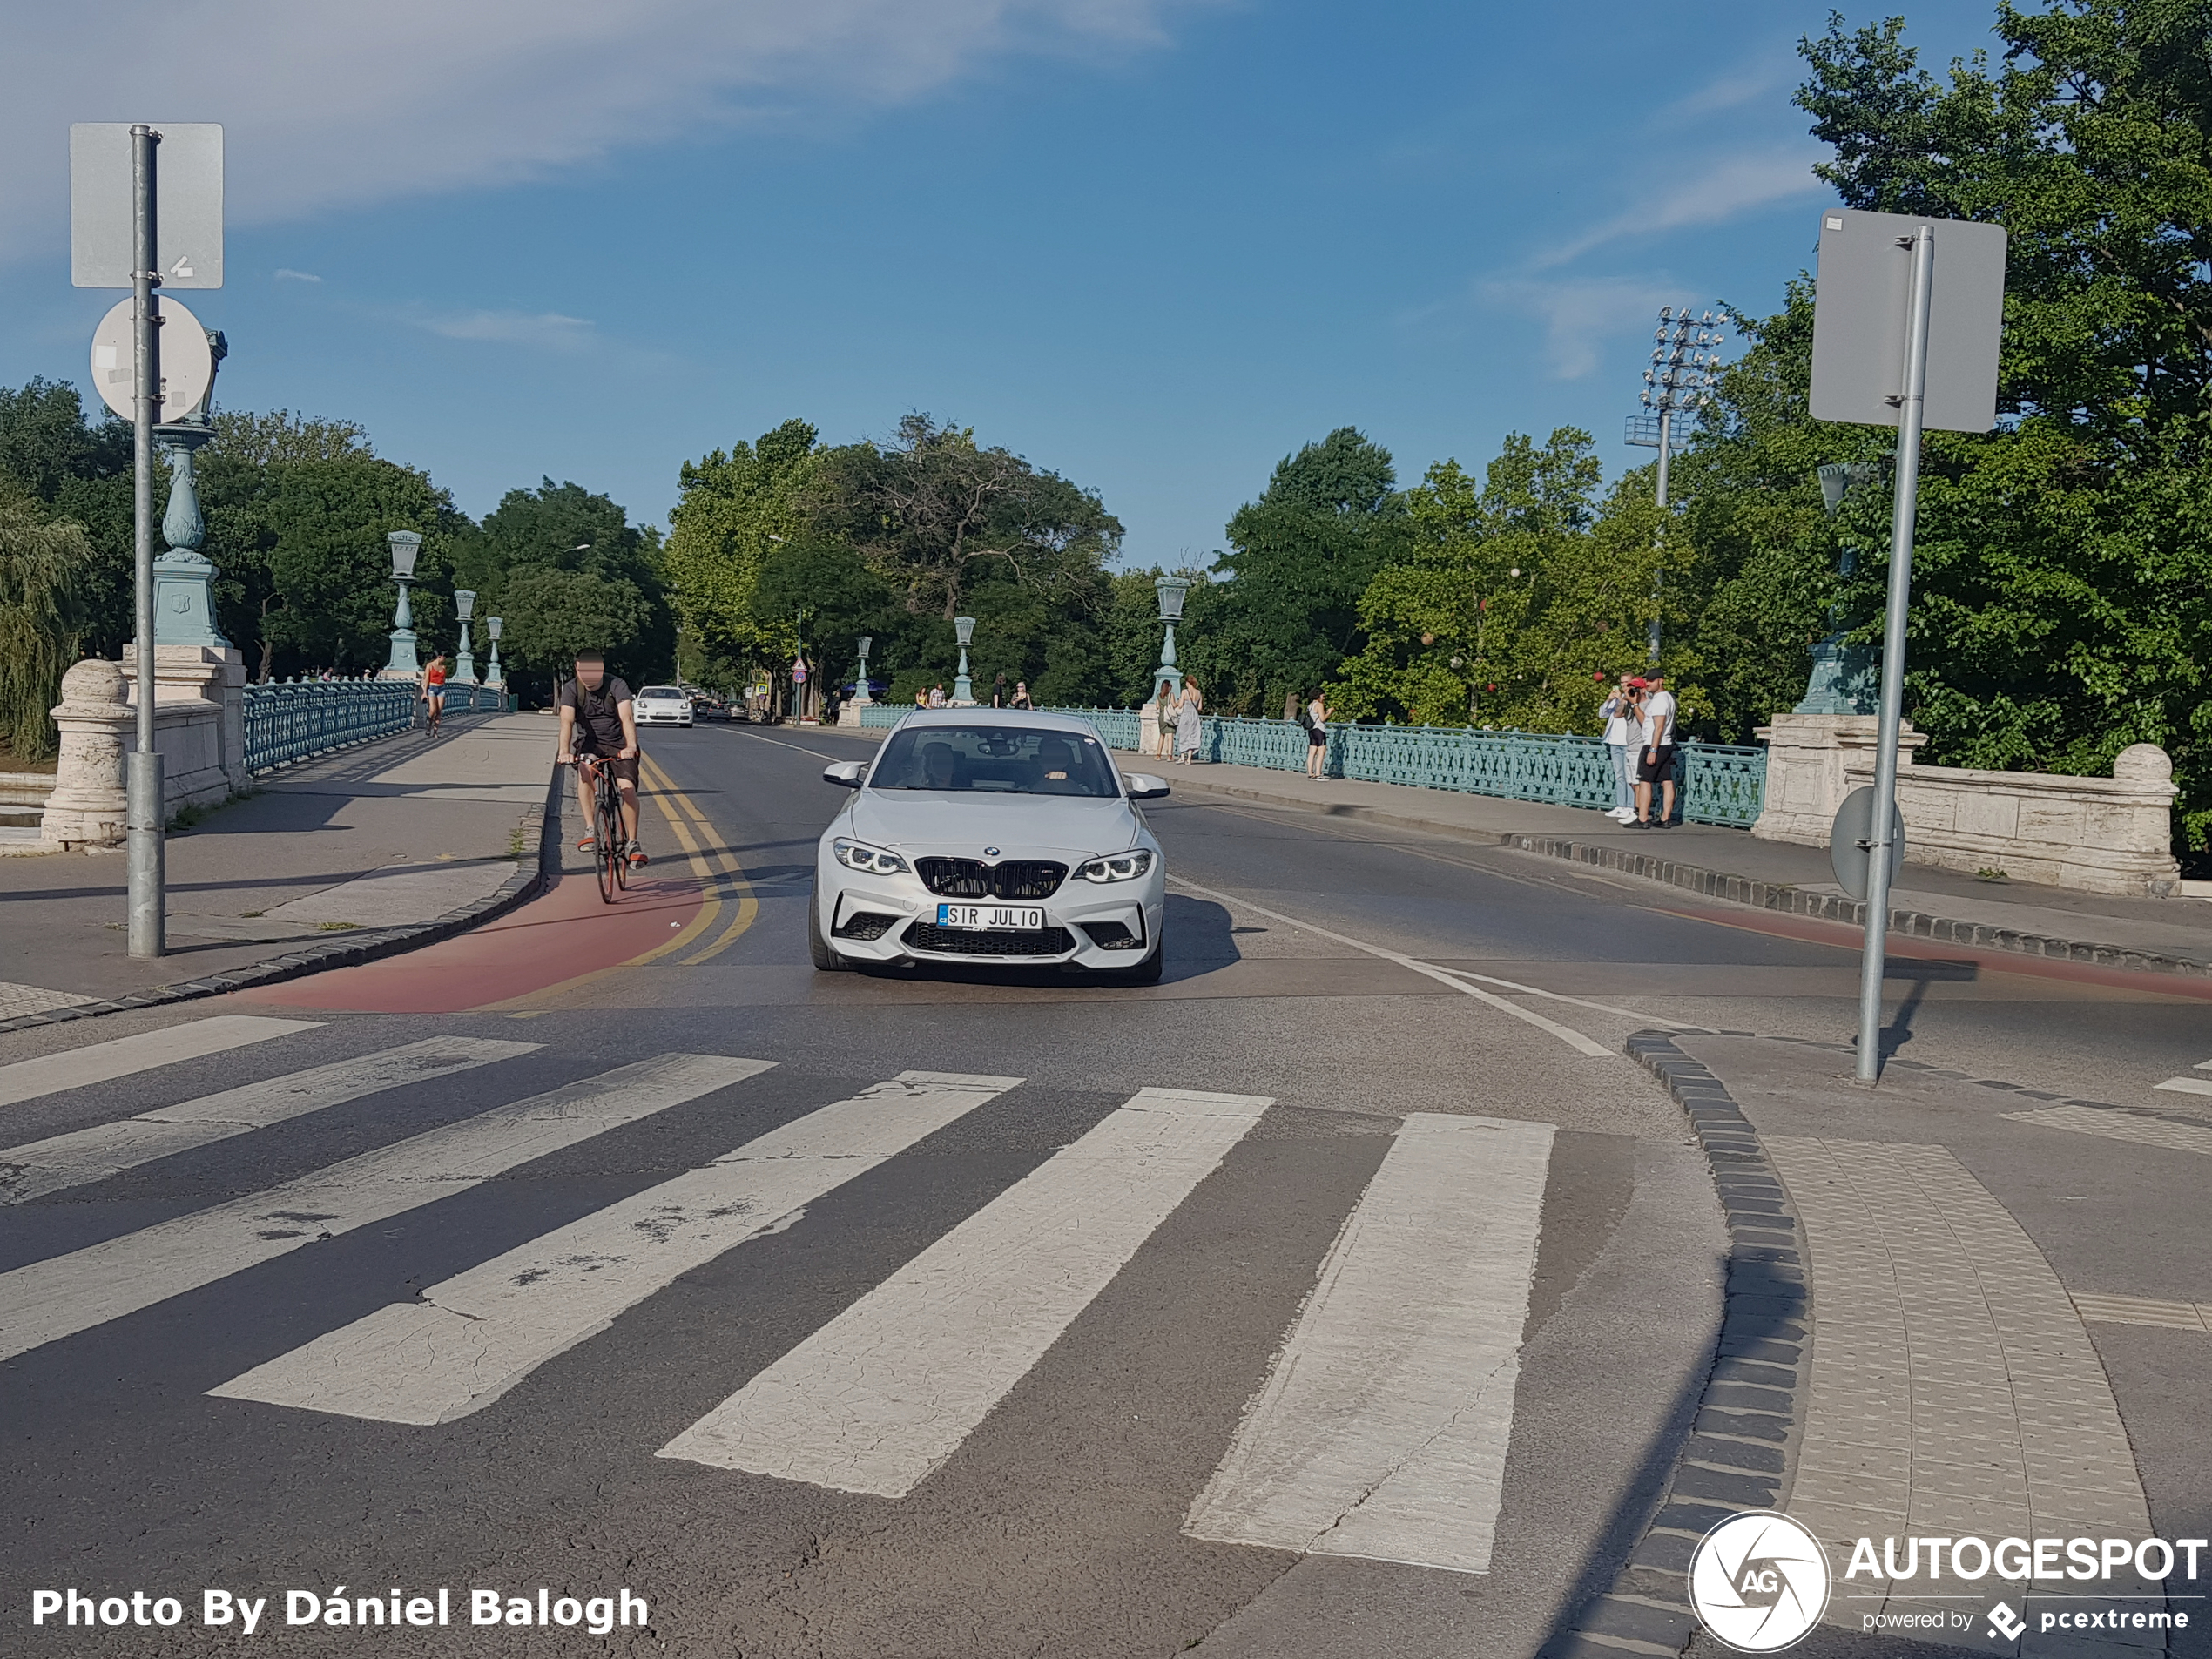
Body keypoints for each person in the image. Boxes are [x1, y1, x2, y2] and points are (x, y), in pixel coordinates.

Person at [556, 651, 647, 867]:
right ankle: (590, 828)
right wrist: (563, 751)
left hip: (619, 744)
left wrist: (631, 746)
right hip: (590, 743)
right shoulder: (571, 689)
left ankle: (632, 842)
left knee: (627, 789)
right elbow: (566, 722)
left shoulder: (617, 685)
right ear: (576, 669)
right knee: (585, 769)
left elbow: (627, 717)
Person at [1635, 672, 1679, 827]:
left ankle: (1643, 818)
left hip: (1655, 744)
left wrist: (1652, 750)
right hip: (1666, 744)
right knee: (1666, 781)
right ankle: (1665, 818)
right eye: (1647, 680)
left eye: (1652, 680)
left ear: (1661, 681)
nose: (1648, 683)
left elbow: (1659, 727)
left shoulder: (1660, 700)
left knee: (1645, 781)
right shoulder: (1668, 698)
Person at [1600, 675, 1641, 823]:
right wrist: (1609, 700)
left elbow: (1622, 715)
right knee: (1619, 776)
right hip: (1614, 742)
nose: (1623, 685)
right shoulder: (1617, 699)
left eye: (1626, 683)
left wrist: (1623, 699)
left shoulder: (1633, 698)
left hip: (1628, 742)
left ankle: (1630, 807)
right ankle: (1620, 805)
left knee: (1630, 776)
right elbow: (1602, 714)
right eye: (1622, 683)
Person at [1174, 679, 1203, 764]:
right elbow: (1200, 708)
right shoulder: (1198, 693)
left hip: (1186, 715)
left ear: (1188, 683)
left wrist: (1177, 702)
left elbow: (1180, 705)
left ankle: (1182, 757)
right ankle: (1189, 759)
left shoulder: (1184, 691)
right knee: (1192, 736)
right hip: (1195, 716)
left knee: (1183, 735)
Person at [419, 654, 448, 735]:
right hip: (432, 688)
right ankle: (429, 726)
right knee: (433, 710)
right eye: (444, 657)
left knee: (439, 711)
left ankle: (435, 732)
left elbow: (443, 679)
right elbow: (427, 679)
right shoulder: (430, 666)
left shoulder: (443, 667)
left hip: (441, 689)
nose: (445, 659)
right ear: (439, 656)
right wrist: (424, 692)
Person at [1304, 691, 1330, 779]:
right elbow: (1322, 718)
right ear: (1319, 696)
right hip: (1319, 730)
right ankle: (1318, 773)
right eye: (1323, 696)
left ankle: (1310, 773)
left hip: (1312, 730)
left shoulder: (1310, 705)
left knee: (1312, 753)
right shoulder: (1319, 705)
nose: (1324, 698)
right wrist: (1329, 712)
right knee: (1321, 752)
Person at [1151, 679, 1179, 759]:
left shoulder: (1159, 696)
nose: (1171, 687)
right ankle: (1169, 756)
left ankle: (1158, 755)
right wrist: (1179, 702)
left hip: (1162, 716)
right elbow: (1174, 705)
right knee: (1170, 736)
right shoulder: (1171, 695)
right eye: (1170, 685)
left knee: (1162, 735)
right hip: (1169, 716)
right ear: (1168, 687)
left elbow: (1157, 706)